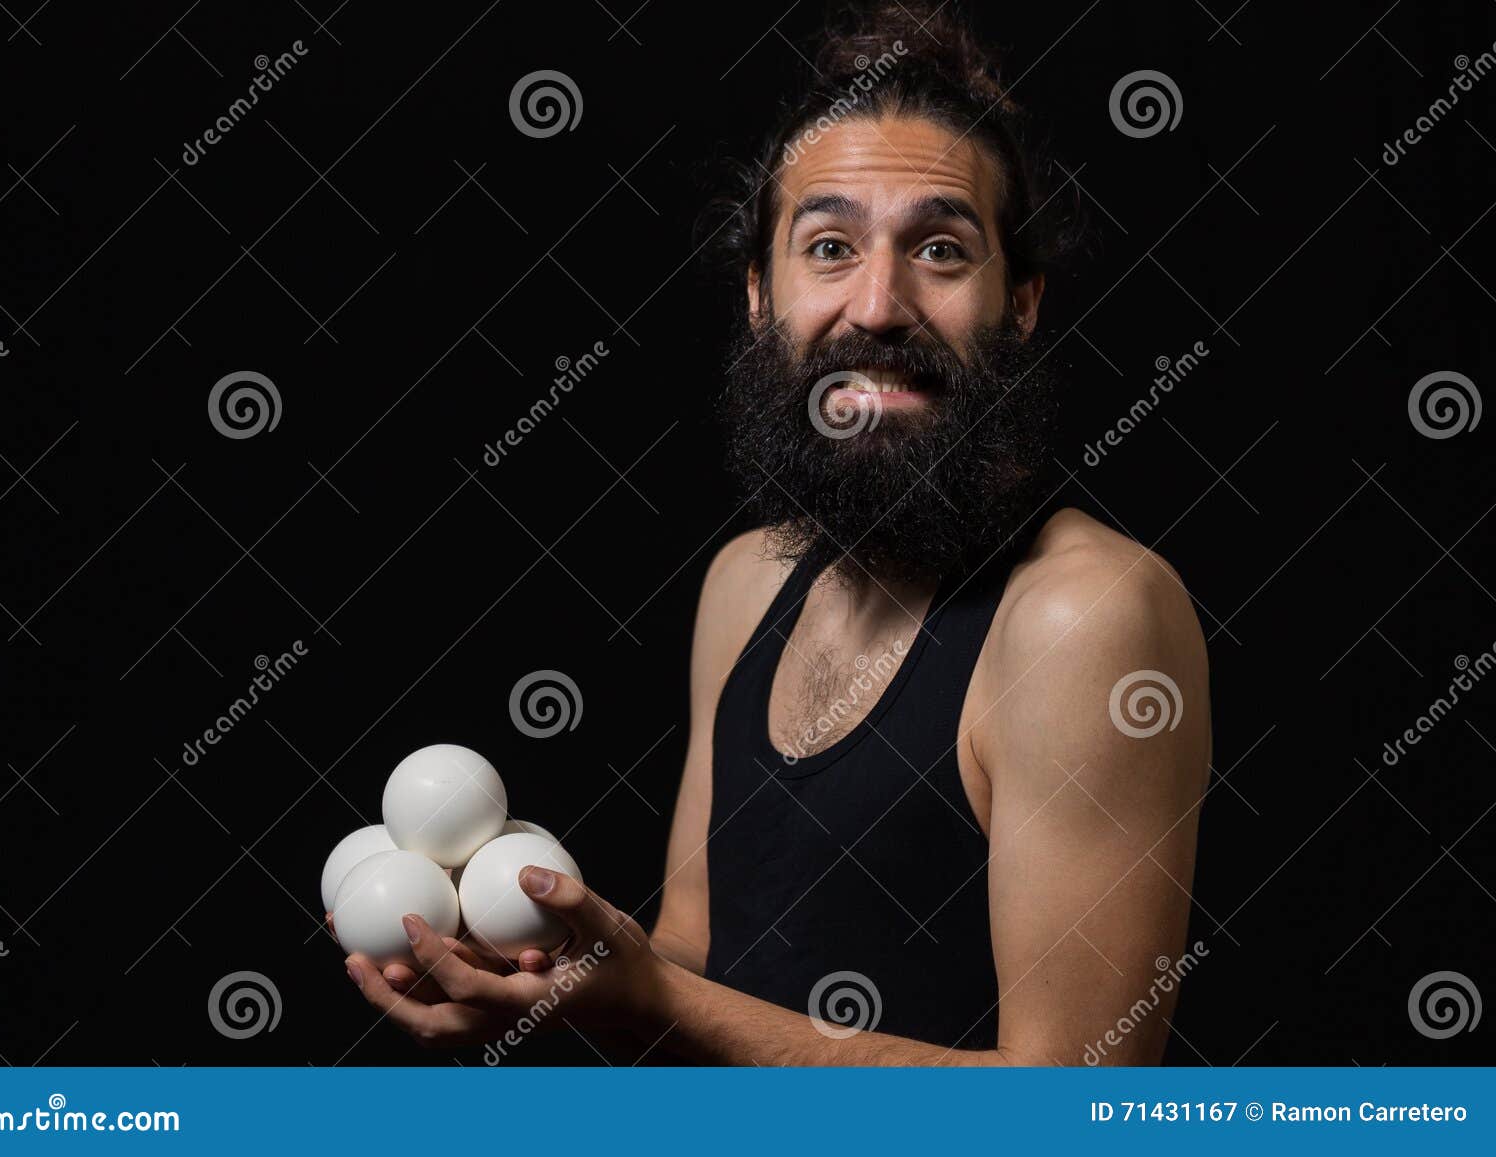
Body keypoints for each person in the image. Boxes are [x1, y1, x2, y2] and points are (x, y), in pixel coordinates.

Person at [339, 2, 1211, 1065]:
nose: (879, 305)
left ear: (1017, 302)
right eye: (830, 247)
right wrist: (557, 982)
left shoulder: (1086, 618)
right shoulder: (746, 583)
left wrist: (656, 996)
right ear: (762, 296)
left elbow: (1080, 1106)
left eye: (940, 248)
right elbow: (699, 961)